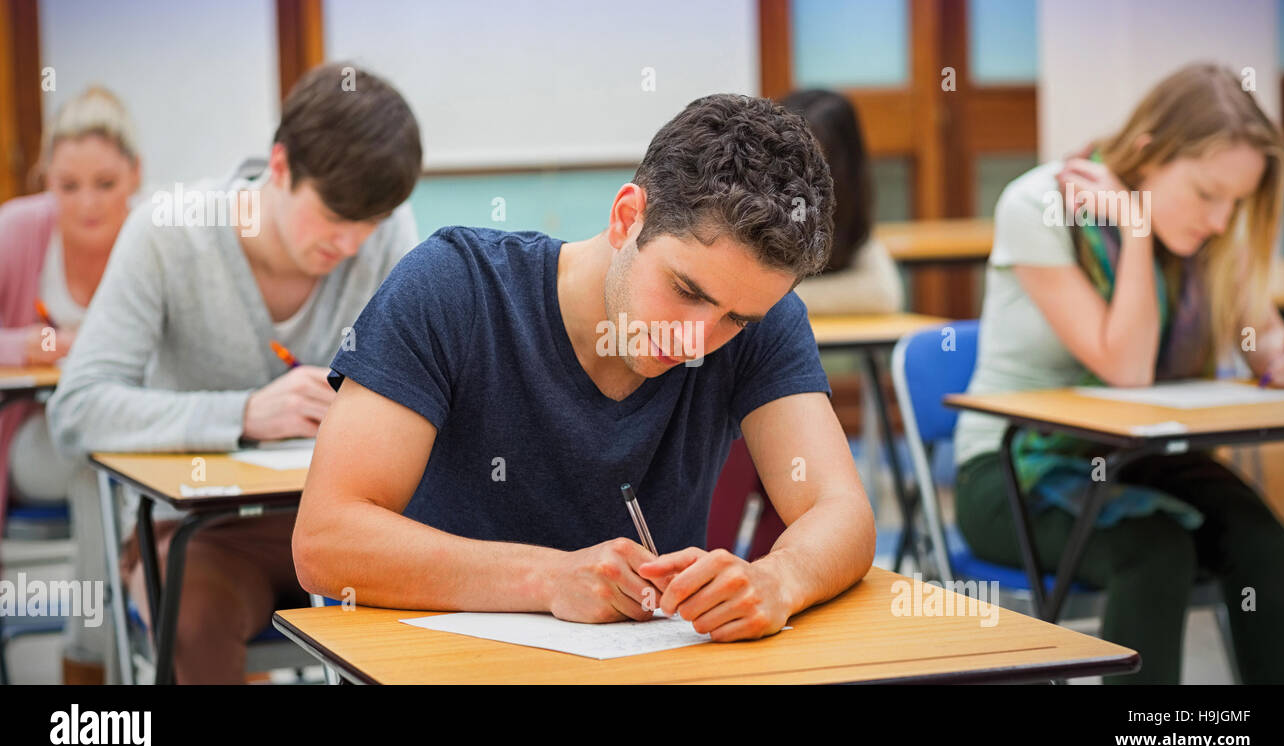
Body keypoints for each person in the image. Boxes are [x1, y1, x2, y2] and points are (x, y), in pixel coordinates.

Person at [293, 94, 876, 640]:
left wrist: (780, 578)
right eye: (685, 290)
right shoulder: (453, 287)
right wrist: (546, 579)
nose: (697, 339)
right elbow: (326, 540)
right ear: (628, 218)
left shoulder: (764, 322)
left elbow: (840, 511)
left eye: (735, 320)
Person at [46, 63, 423, 684]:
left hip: (349, 527)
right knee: (194, 617)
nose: (352, 244)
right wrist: (242, 414)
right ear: (279, 167)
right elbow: (76, 410)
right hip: (203, 537)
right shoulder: (169, 237)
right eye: (334, 215)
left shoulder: (388, 235)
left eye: (371, 223)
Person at [953, 62, 1284, 684]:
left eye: (1236, 202)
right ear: (1146, 154)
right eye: (1206, 194)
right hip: (1014, 472)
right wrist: (1136, 234)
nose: (1221, 220)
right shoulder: (1038, 206)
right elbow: (1128, 369)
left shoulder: (1209, 239)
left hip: (1141, 459)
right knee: (1155, 550)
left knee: (1262, 540)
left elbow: (1272, 351)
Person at [0, 86, 141, 684]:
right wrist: (31, 344)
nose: (87, 202)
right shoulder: (16, 230)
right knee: (95, 463)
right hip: (34, 440)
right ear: (45, 179)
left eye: (106, 184)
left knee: (121, 467)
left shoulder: (152, 238)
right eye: (68, 185)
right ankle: (88, 666)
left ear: (136, 176)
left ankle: (160, 625)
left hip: (136, 427)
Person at [781, 89, 903, 315]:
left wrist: (770, 299)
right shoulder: (755, 206)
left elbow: (883, 294)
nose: (798, 173)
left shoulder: (846, 216)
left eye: (815, 159)